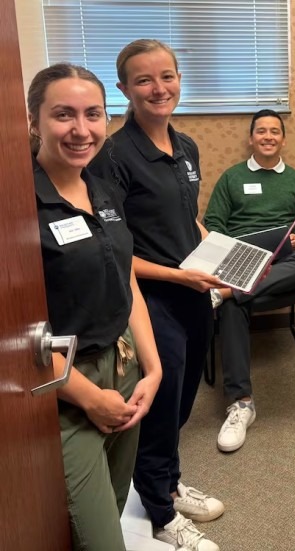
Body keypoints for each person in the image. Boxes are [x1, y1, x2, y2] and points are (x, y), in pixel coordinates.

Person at [90, 39, 222, 551]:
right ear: (124, 88)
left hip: (193, 290)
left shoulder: (185, 147)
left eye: (167, 76)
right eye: (144, 80)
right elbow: (115, 250)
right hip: (150, 300)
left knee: (183, 402)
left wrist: (218, 252)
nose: (158, 88)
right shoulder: (114, 158)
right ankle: (163, 513)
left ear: (179, 80)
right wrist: (180, 275)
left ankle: (165, 481)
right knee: (161, 404)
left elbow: (187, 216)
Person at [28, 63, 162, 550]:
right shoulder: (19, 205)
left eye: (93, 114)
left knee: (112, 497)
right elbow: (17, 332)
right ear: (34, 120)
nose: (81, 130)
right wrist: (88, 396)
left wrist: (152, 367)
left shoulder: (100, 188)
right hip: (64, 386)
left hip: (122, 370)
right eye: (64, 114)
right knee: (98, 538)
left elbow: (125, 277)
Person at [203, 108, 295, 452]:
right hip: (238, 257)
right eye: (261, 131)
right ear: (251, 138)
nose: (268, 136)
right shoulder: (231, 177)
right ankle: (241, 404)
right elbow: (213, 223)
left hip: (281, 260)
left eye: (275, 131)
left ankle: (224, 292)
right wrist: (234, 249)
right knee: (234, 307)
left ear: (283, 139)